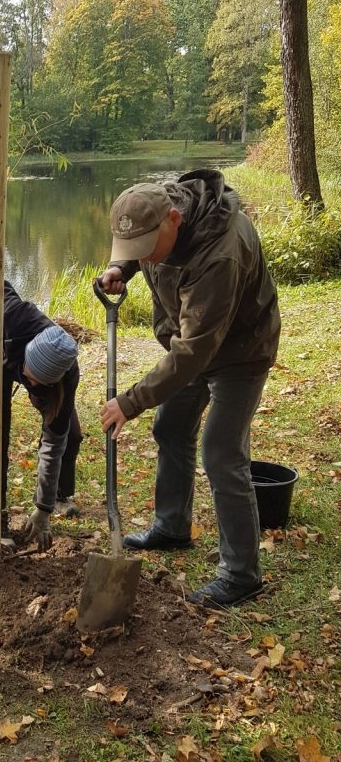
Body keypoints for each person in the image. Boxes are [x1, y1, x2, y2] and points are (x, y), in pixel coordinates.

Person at [97, 169, 281, 609]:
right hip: (192, 343)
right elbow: (143, 251)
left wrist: (131, 400)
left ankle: (242, 575)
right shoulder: (156, 211)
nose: (147, 259)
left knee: (221, 451)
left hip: (239, 351)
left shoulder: (221, 253)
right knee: (172, 427)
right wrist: (120, 265)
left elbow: (194, 352)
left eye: (146, 249)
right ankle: (172, 526)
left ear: (174, 220)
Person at [0, 281, 82, 550]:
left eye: (38, 384)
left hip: (34, 369)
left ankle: (58, 497)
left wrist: (43, 509)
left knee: (70, 435)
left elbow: (52, 444)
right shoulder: (15, 316)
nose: (31, 385)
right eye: (30, 377)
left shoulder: (66, 373)